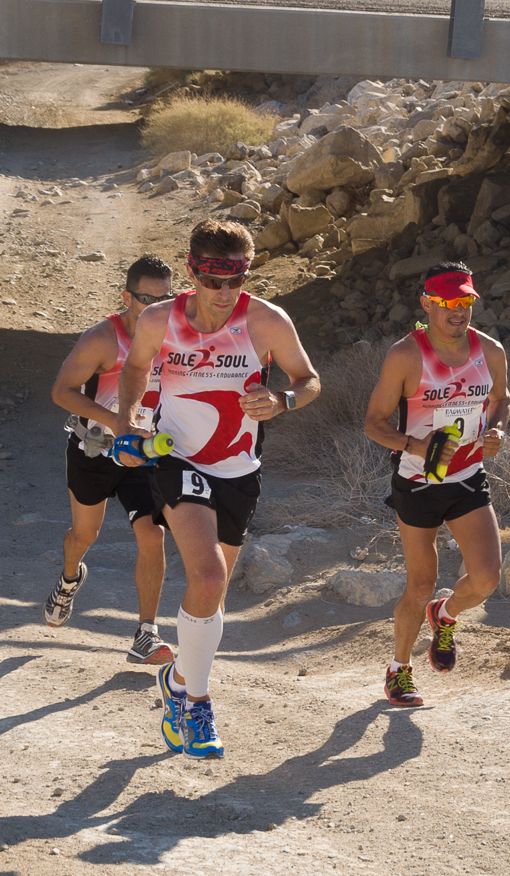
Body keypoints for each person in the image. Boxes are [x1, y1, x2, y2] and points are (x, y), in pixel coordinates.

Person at [113, 218, 320, 759]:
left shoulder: (266, 320)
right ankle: (196, 705)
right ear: (192, 272)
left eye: (236, 279)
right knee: (209, 573)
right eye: (212, 279)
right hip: (176, 458)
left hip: (239, 467)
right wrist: (127, 421)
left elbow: (309, 379)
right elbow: (135, 368)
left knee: (212, 593)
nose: (224, 292)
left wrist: (282, 402)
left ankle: (179, 677)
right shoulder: (161, 319)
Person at [360, 262, 507, 707]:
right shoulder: (406, 355)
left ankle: (445, 616)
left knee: (485, 579)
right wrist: (415, 445)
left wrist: (497, 430)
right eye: (447, 303)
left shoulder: (491, 351)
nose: (458, 311)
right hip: (418, 483)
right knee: (420, 583)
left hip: (466, 476)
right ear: (427, 304)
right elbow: (373, 423)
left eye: (465, 301)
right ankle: (398, 671)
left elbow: (501, 399)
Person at [43, 255, 176, 666]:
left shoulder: (175, 338)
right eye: (145, 298)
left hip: (145, 455)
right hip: (94, 449)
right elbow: (62, 392)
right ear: (126, 296)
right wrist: (119, 422)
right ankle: (69, 579)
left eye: (165, 298)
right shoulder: (102, 338)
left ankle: (146, 633)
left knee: (152, 535)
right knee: (84, 538)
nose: (155, 307)